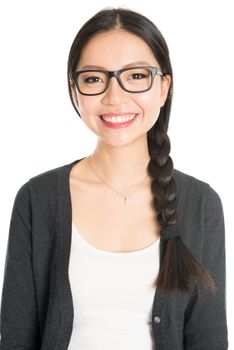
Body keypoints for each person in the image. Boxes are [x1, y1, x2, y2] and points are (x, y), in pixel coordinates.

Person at [0, 7, 228, 350]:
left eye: (136, 76)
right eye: (94, 78)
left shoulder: (201, 204)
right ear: (75, 90)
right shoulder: (38, 199)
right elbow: (16, 336)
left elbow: (208, 339)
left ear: (164, 87)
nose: (115, 96)